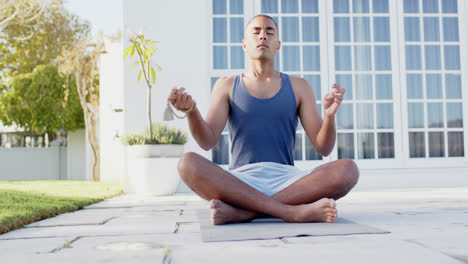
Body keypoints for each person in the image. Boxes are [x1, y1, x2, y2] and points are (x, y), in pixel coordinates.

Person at [168, 14, 359, 225]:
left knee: (348, 170)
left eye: (269, 32)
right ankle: (291, 212)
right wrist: (192, 111)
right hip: (240, 182)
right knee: (187, 164)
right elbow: (207, 141)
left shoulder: (299, 86)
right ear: (244, 44)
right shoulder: (226, 85)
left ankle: (245, 213)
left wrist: (329, 117)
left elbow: (323, 148)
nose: (263, 36)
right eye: (256, 31)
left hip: (288, 180)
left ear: (278, 45)